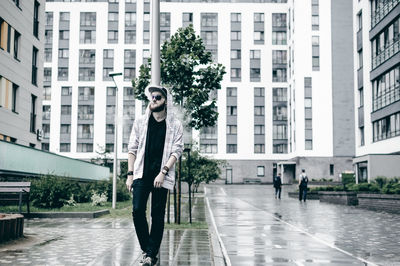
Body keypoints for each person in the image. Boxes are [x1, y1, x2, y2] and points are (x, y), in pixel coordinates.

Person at [126, 85, 183, 266]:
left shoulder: (174, 125)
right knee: (137, 211)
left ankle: (150, 255)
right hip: (141, 173)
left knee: (157, 216)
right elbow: (132, 149)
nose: (153, 99)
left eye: (157, 97)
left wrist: (163, 172)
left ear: (166, 100)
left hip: (161, 175)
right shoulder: (140, 122)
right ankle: (148, 251)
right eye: (151, 97)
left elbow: (177, 151)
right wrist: (130, 174)